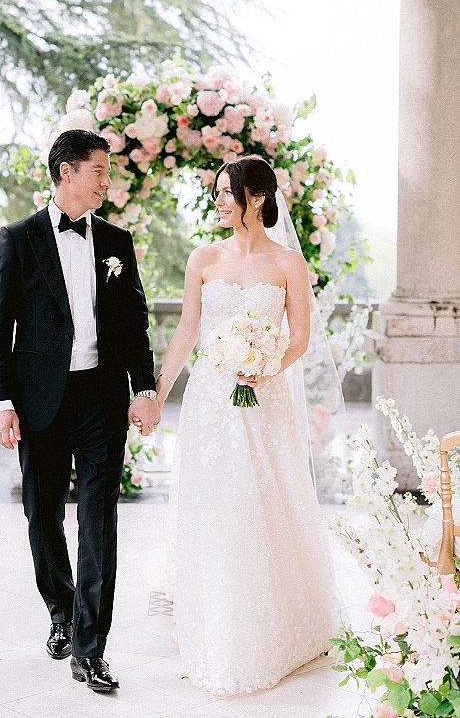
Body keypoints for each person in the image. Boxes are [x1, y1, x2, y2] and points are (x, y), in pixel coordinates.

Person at [155, 155, 342, 695]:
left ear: (255, 198)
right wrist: (156, 392)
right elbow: (188, 329)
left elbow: (300, 336)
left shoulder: (287, 263)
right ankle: (213, 614)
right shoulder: (202, 258)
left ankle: (277, 621)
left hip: (265, 397)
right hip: (211, 401)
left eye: (224, 192)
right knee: (215, 501)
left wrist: (264, 366)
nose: (216, 201)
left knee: (265, 500)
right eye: (215, 192)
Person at [0, 130, 160, 693]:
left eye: (108, 171)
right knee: (42, 516)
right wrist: (0, 401)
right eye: (99, 171)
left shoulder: (116, 241)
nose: (108, 180)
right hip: (39, 402)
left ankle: (91, 646)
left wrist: (145, 389)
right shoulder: (18, 239)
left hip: (101, 400)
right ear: (65, 172)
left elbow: (135, 322)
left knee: (99, 521)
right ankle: (60, 609)